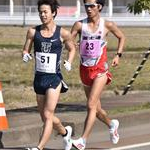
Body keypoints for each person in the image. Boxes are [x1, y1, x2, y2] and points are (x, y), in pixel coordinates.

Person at [71, 0, 125, 149]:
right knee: (97, 109)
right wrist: (72, 45)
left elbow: (122, 37)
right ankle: (111, 124)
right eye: (86, 6)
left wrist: (117, 55)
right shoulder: (79, 25)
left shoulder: (107, 25)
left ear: (99, 7)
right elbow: (69, 41)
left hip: (100, 70)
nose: (88, 9)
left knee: (90, 105)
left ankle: (82, 140)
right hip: (84, 70)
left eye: (92, 6)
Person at [22, 0, 76, 150]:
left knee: (48, 113)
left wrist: (69, 62)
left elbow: (72, 49)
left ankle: (39, 148)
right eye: (40, 12)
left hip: (54, 79)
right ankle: (66, 132)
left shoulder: (63, 33)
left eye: (45, 12)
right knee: (46, 117)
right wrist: (25, 55)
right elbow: (26, 49)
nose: (42, 15)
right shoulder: (33, 31)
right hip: (39, 79)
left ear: (53, 13)